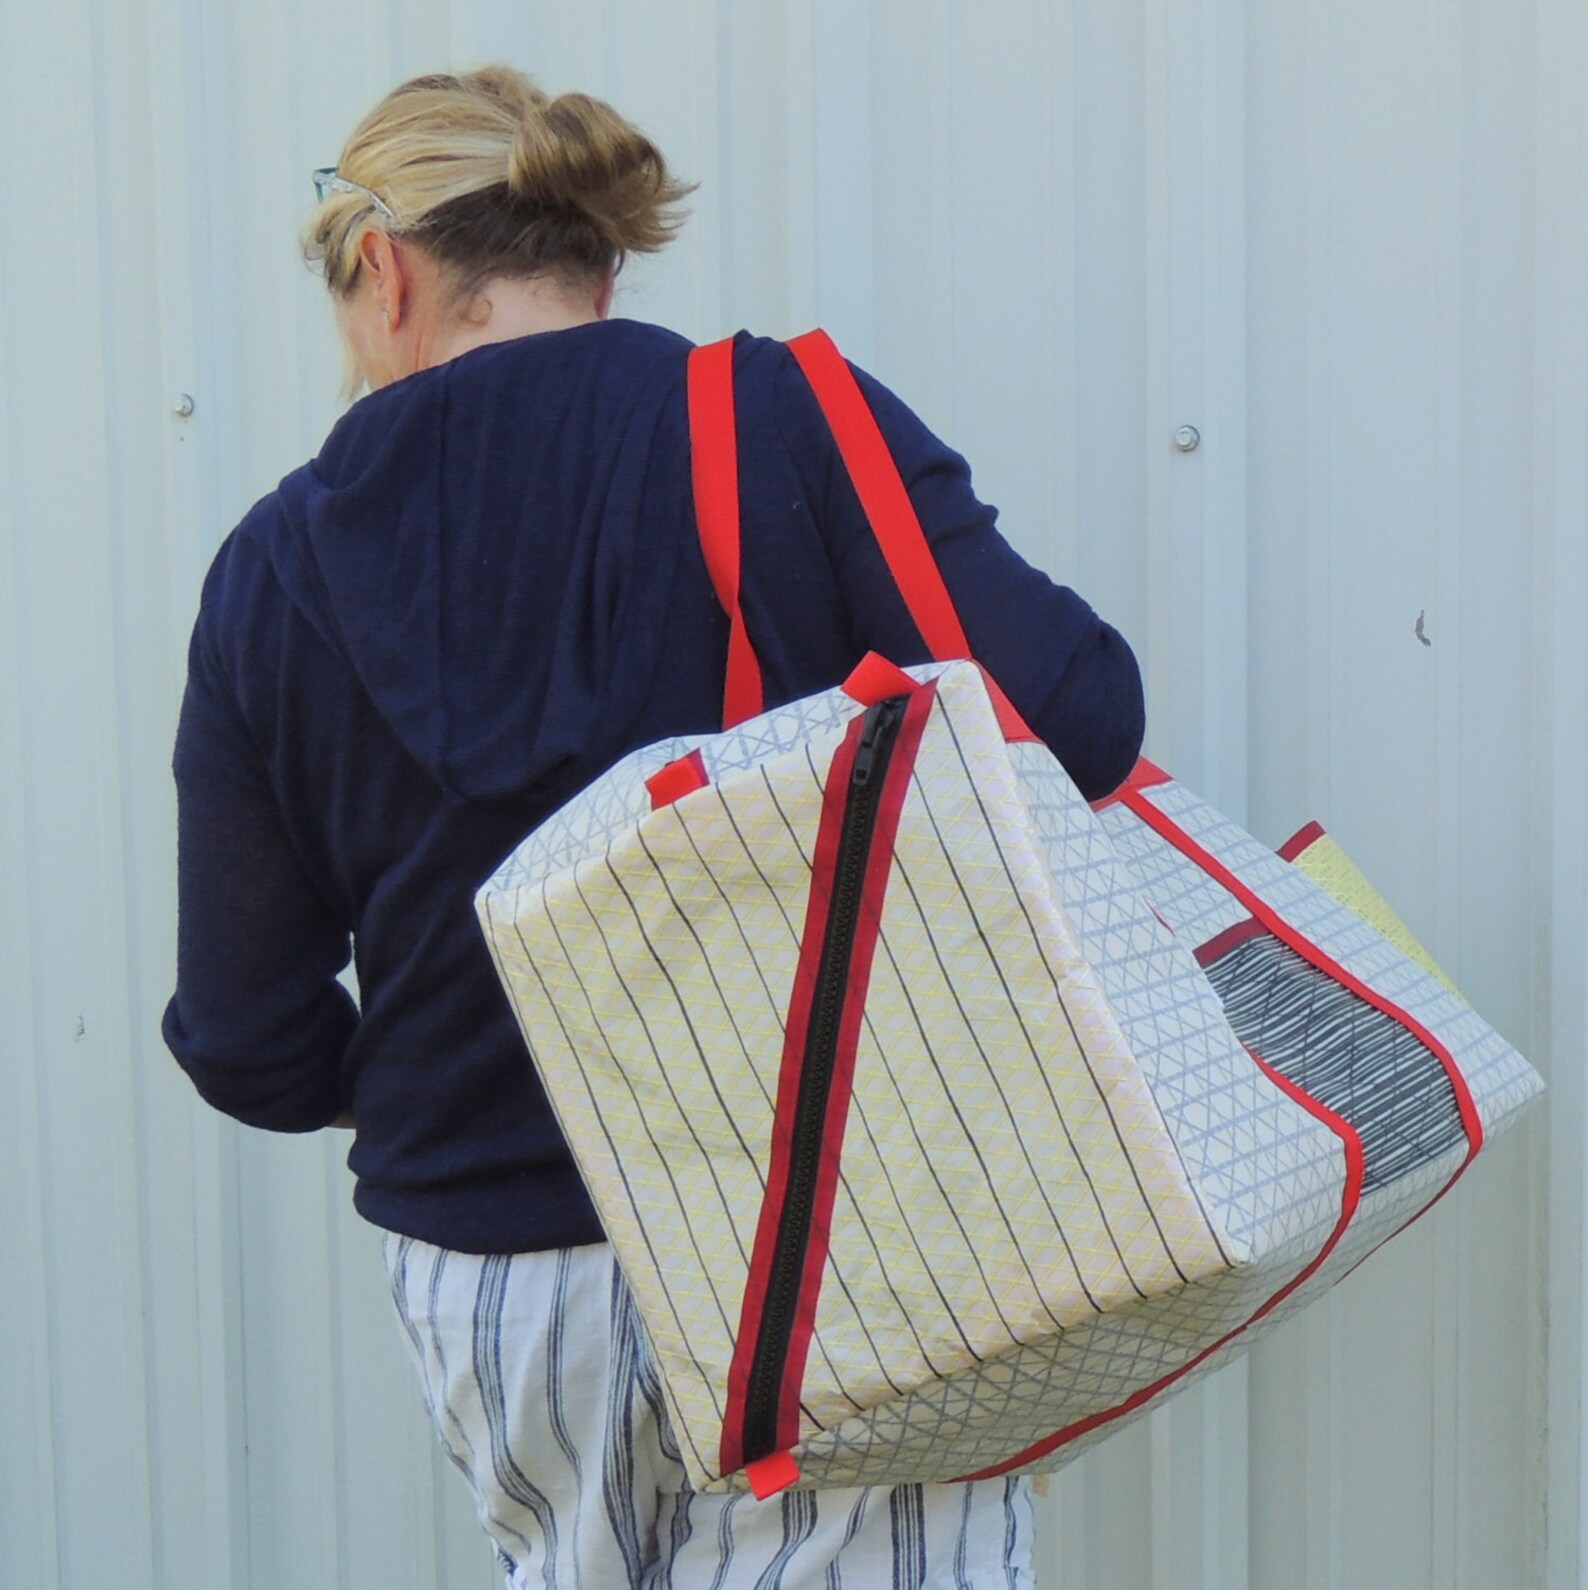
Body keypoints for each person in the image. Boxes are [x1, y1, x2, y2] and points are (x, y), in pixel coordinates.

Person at [164, 64, 1146, 1589]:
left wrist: (452, 1083)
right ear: (600, 261)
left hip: (494, 1274)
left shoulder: (268, 568)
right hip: (830, 1230)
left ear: (387, 269)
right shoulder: (777, 422)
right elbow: (1075, 714)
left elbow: (244, 1032)